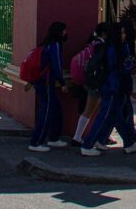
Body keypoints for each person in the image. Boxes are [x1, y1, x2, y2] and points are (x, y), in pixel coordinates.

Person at [81, 25, 136, 156]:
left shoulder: (112, 48)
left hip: (112, 87)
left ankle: (129, 143)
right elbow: (117, 69)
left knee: (116, 115)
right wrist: (128, 65)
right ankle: (87, 144)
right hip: (111, 87)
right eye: (122, 33)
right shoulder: (112, 50)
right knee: (104, 116)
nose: (124, 35)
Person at [100, 17, 136, 153]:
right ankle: (130, 141)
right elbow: (125, 69)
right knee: (123, 115)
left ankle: (101, 138)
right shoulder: (122, 46)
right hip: (118, 85)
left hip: (116, 84)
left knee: (116, 114)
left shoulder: (116, 45)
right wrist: (129, 88)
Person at [29, 21, 69, 152]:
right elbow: (56, 65)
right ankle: (36, 142)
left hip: (41, 81)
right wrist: (63, 82)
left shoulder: (45, 44)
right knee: (46, 112)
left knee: (55, 110)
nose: (65, 33)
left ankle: (54, 137)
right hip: (46, 82)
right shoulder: (55, 45)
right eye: (64, 30)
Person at [70, 23, 108, 146]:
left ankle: (79, 136)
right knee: (90, 111)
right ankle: (78, 137)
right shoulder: (101, 46)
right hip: (95, 82)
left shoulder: (92, 43)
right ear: (104, 33)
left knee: (87, 110)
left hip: (87, 80)